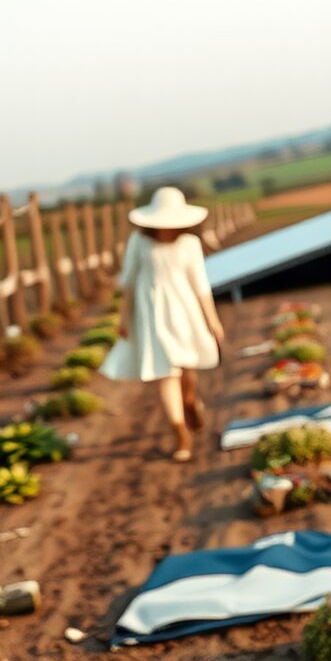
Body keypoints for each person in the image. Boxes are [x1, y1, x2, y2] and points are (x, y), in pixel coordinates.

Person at [100, 186, 225, 462]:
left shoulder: (190, 243)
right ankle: (181, 435)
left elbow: (200, 285)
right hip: (151, 314)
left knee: (188, 369)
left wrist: (212, 320)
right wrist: (124, 319)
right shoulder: (139, 242)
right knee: (165, 372)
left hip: (185, 311)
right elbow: (128, 282)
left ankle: (190, 401)